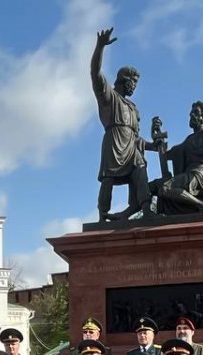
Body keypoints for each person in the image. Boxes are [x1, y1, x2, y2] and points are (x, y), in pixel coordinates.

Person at [91, 27, 151, 222]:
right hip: (114, 142)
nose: (134, 87)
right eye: (132, 83)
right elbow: (95, 72)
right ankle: (102, 216)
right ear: (123, 81)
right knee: (108, 178)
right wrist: (100, 47)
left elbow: (137, 138)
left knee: (140, 168)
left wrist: (154, 146)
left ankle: (145, 207)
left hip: (132, 146)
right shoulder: (109, 97)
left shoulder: (133, 108)